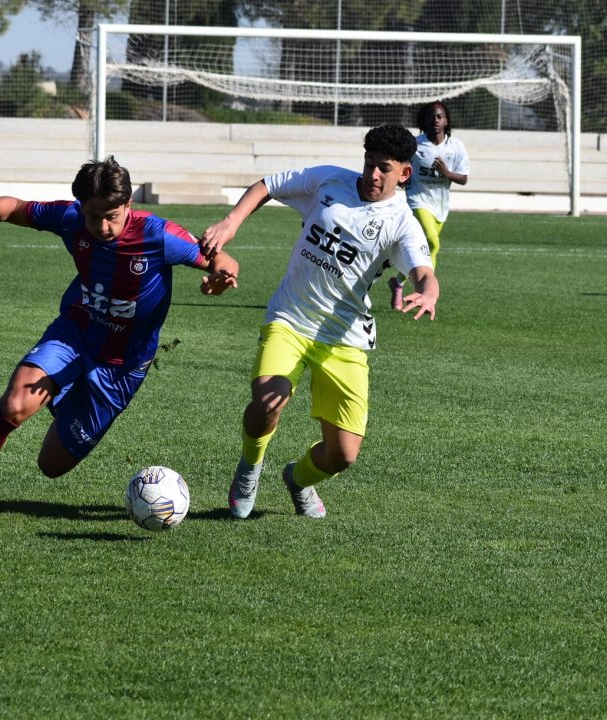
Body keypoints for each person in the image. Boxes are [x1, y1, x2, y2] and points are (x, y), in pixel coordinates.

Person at [0, 157, 239, 519]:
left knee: (51, 465)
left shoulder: (159, 234)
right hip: (75, 335)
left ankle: (64, 397)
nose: (102, 226)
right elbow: (19, 208)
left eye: (112, 215)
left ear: (129, 204)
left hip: (122, 368)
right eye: (93, 215)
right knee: (15, 404)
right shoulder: (71, 218)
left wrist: (222, 276)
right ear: (81, 207)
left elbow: (221, 260)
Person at [199, 125, 438, 520]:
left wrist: (428, 292)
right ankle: (249, 468)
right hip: (290, 318)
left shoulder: (402, 222)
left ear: (404, 174)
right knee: (267, 402)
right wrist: (231, 222)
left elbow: (423, 271)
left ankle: (297, 479)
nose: (372, 175)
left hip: (345, 338)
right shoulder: (329, 180)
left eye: (384, 168)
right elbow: (267, 185)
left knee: (343, 455)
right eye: (368, 164)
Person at [389, 100, 468, 310]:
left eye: (440, 116)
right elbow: (401, 167)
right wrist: (402, 180)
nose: (435, 120)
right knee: (433, 244)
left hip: (440, 206)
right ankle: (424, 292)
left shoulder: (456, 147)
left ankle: (398, 282)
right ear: (424, 120)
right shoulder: (416, 145)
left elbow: (464, 178)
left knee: (425, 249)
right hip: (418, 200)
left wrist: (447, 173)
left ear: (446, 120)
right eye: (431, 116)